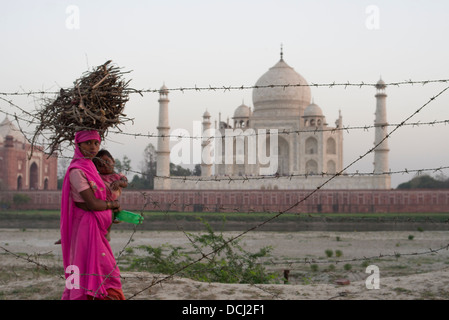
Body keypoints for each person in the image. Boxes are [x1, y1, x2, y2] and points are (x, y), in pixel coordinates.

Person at [60, 130, 125, 300]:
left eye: (96, 143)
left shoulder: (92, 167)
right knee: (93, 268)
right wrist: (113, 205)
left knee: (104, 268)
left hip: (97, 227)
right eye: (88, 142)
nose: (93, 147)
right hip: (87, 227)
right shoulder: (77, 170)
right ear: (78, 144)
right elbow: (92, 204)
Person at [93, 149, 128, 241]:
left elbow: (125, 183)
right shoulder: (97, 176)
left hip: (112, 201)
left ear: (113, 161)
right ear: (96, 168)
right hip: (101, 201)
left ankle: (107, 232)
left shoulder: (118, 176)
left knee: (110, 214)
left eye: (107, 162)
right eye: (100, 165)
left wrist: (119, 182)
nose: (105, 166)